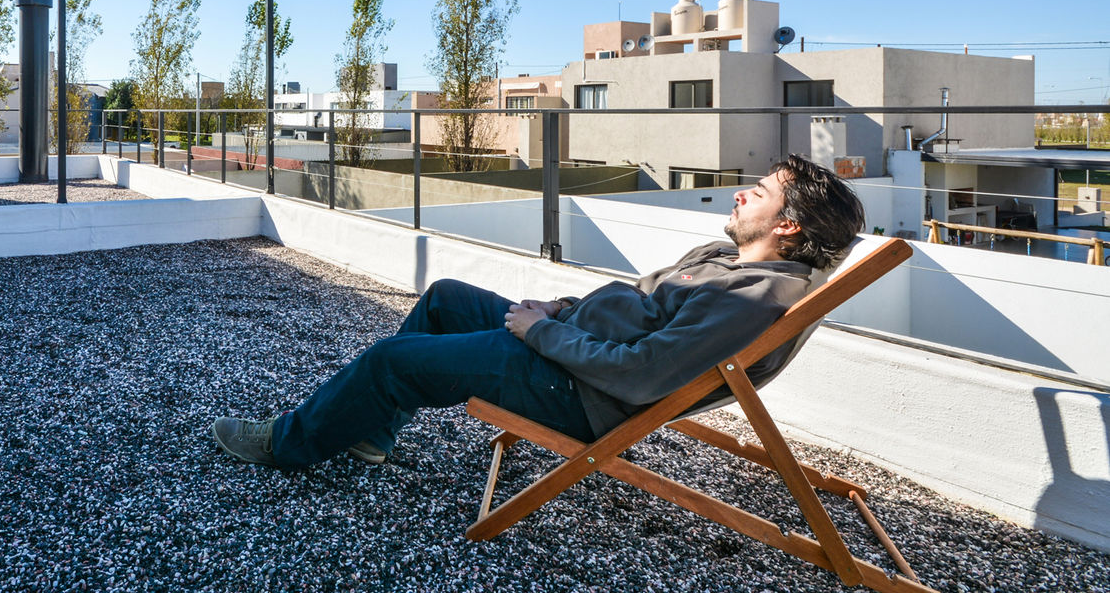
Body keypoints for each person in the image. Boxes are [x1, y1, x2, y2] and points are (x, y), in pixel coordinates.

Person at [211, 154, 865, 469]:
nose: (743, 190)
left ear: (787, 225)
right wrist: (560, 307)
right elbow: (633, 309)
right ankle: (372, 430)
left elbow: (639, 375)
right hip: (564, 344)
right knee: (443, 298)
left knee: (391, 361)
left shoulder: (753, 296)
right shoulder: (724, 256)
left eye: (762, 191)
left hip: (575, 389)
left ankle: (288, 445)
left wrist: (542, 330)